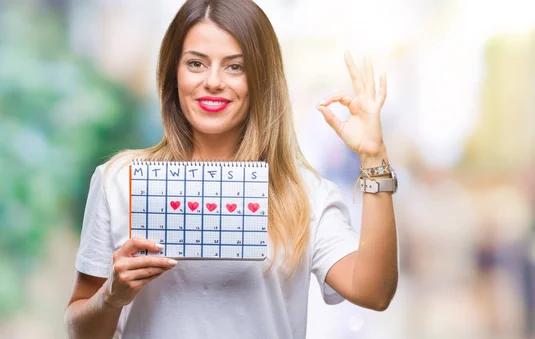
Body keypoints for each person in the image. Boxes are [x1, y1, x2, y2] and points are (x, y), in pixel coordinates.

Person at [64, 0, 398, 338]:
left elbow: (375, 291)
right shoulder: (120, 180)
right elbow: (80, 330)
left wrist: (374, 157)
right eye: (196, 63)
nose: (213, 81)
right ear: (173, 73)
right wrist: (111, 296)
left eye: (234, 67)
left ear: (260, 78)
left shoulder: (303, 192)